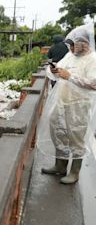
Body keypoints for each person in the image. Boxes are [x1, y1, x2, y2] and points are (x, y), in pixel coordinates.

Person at [41, 23, 96, 184]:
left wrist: (69, 76)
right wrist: (54, 71)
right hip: (62, 100)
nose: (70, 48)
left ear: (83, 43)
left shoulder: (92, 59)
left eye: (73, 45)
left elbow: (93, 83)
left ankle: (74, 171)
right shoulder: (70, 56)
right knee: (58, 130)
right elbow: (60, 71)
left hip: (79, 105)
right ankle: (60, 165)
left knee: (76, 135)